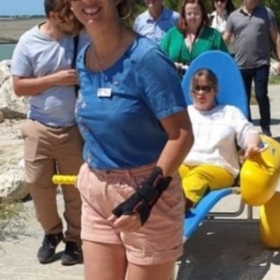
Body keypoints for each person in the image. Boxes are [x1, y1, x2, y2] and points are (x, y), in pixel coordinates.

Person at [67, 0, 194, 279]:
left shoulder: (147, 58)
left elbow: (182, 135)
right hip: (96, 189)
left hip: (148, 191)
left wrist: (145, 197)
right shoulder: (84, 58)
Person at [10, 0, 88, 265]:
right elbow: (19, 87)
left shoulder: (80, 36)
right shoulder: (28, 41)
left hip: (73, 126)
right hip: (39, 125)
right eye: (67, 14)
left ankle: (75, 240)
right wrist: (55, 79)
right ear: (53, 16)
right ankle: (51, 233)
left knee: (76, 189)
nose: (74, 18)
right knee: (37, 184)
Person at [180, 68, 263, 209]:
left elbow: (248, 132)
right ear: (191, 91)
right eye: (197, 88)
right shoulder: (184, 113)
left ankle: (182, 207)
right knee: (167, 176)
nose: (201, 93)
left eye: (206, 88)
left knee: (197, 177)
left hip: (219, 168)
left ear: (215, 90)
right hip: (185, 164)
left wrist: (252, 145)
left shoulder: (229, 112)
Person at [223, 0, 280, 137]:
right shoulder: (233, 17)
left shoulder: (266, 13)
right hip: (241, 65)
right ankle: (248, 127)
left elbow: (276, 37)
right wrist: (216, 58)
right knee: (243, 99)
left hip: (261, 63)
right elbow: (225, 40)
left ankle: (266, 127)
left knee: (261, 95)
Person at [160, 0, 229, 76]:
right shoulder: (172, 34)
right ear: (184, 15)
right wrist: (171, 64)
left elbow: (225, 63)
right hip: (175, 85)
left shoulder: (214, 36)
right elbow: (158, 58)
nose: (192, 17)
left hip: (203, 86)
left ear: (202, 14)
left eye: (196, 13)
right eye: (189, 14)